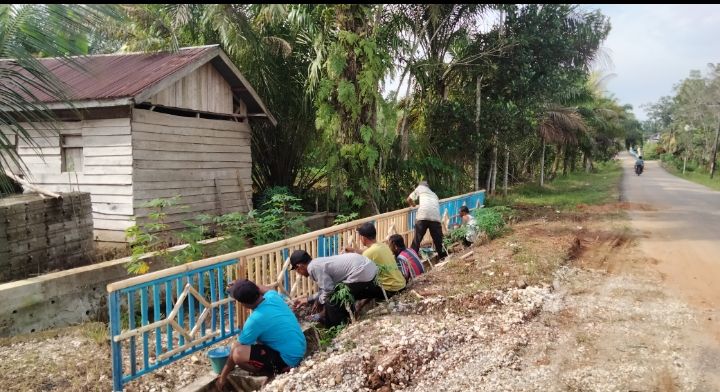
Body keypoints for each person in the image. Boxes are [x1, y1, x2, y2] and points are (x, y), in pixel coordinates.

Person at [216, 279, 307, 390]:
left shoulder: (255, 320)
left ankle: (271, 372)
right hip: (300, 348)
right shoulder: (273, 297)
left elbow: (236, 348)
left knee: (237, 354)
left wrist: (223, 377)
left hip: (288, 360)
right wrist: (242, 284)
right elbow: (262, 288)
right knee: (259, 337)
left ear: (243, 304)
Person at [290, 250, 383, 327]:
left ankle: (339, 329)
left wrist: (319, 301)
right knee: (341, 293)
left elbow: (329, 290)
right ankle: (351, 318)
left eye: (297, 270)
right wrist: (308, 299)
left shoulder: (313, 268)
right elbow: (326, 287)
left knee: (332, 300)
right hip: (369, 269)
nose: (299, 273)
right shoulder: (317, 262)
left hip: (361, 272)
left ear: (299, 266)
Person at [345, 222, 406, 296]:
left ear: (363, 238)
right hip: (401, 284)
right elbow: (368, 252)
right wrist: (353, 250)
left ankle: (355, 306)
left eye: (359, 236)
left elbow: (357, 272)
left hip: (390, 289)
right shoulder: (382, 245)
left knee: (352, 291)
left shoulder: (369, 252)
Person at [406, 180, 447, 259]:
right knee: (439, 240)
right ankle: (443, 257)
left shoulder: (420, 188)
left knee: (417, 240)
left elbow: (409, 199)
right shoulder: (434, 194)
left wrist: (413, 205)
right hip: (435, 218)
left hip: (423, 216)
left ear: (420, 185)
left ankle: (411, 258)